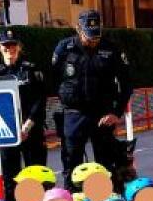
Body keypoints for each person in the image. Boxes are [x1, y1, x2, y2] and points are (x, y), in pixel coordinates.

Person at [51, 10, 132, 190]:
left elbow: (126, 84)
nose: (93, 40)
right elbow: (53, 78)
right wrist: (66, 99)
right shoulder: (64, 48)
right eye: (89, 36)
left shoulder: (111, 49)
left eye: (96, 36)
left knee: (107, 166)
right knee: (72, 165)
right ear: (79, 29)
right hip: (74, 114)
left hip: (103, 115)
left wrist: (115, 112)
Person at [0, 28, 48, 201]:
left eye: (13, 46)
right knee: (10, 181)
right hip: (7, 134)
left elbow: (40, 100)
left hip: (31, 130)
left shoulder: (31, 70)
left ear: (19, 47)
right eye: (5, 46)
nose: (9, 49)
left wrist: (27, 126)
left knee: (35, 178)